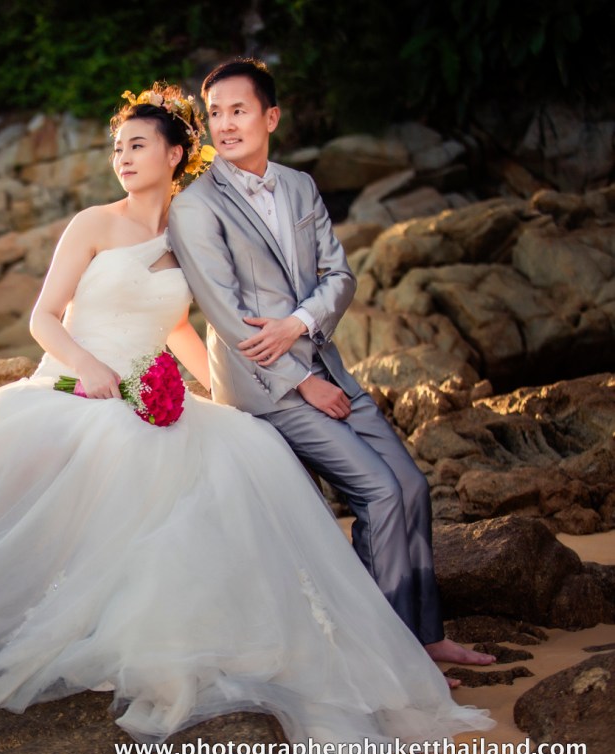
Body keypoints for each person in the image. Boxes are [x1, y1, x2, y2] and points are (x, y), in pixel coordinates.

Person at [0, 83, 491, 754]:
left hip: (151, 391)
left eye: (138, 145)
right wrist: (91, 370)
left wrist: (212, 393)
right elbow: (42, 317)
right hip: (77, 386)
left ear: (175, 155)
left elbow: (181, 327)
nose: (124, 158)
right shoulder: (92, 224)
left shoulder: (191, 233)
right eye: (117, 148)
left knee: (243, 458)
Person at [167, 59, 495, 681]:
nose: (225, 124)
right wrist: (301, 378)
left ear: (271, 116)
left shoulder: (299, 187)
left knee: (414, 488)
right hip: (268, 388)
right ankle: (384, 654)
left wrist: (299, 326)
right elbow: (228, 317)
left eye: (239, 111)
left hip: (325, 363)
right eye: (215, 114)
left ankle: (423, 637)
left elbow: (338, 277)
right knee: (376, 491)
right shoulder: (195, 205)